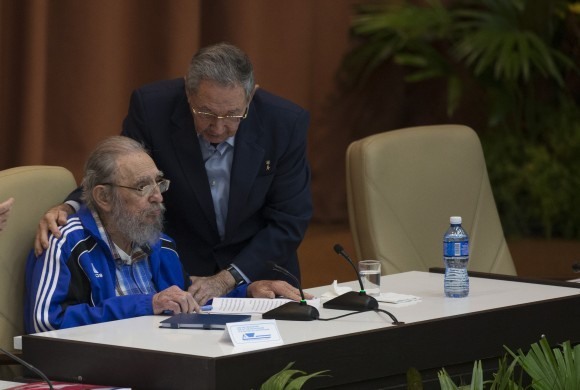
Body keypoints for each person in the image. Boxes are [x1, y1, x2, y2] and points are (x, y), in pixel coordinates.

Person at [34, 42, 313, 305]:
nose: (218, 127)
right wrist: (69, 205)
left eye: (231, 115)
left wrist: (232, 278)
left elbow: (289, 219)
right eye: (205, 112)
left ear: (251, 96)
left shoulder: (284, 123)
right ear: (188, 92)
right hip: (181, 277)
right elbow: (119, 172)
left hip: (260, 276)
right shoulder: (152, 108)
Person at [25, 136, 308, 334]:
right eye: (142, 187)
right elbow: (45, 324)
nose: (158, 197)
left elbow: (187, 299)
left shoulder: (160, 243)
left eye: (158, 183)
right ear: (104, 197)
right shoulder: (66, 242)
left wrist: (249, 292)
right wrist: (146, 304)